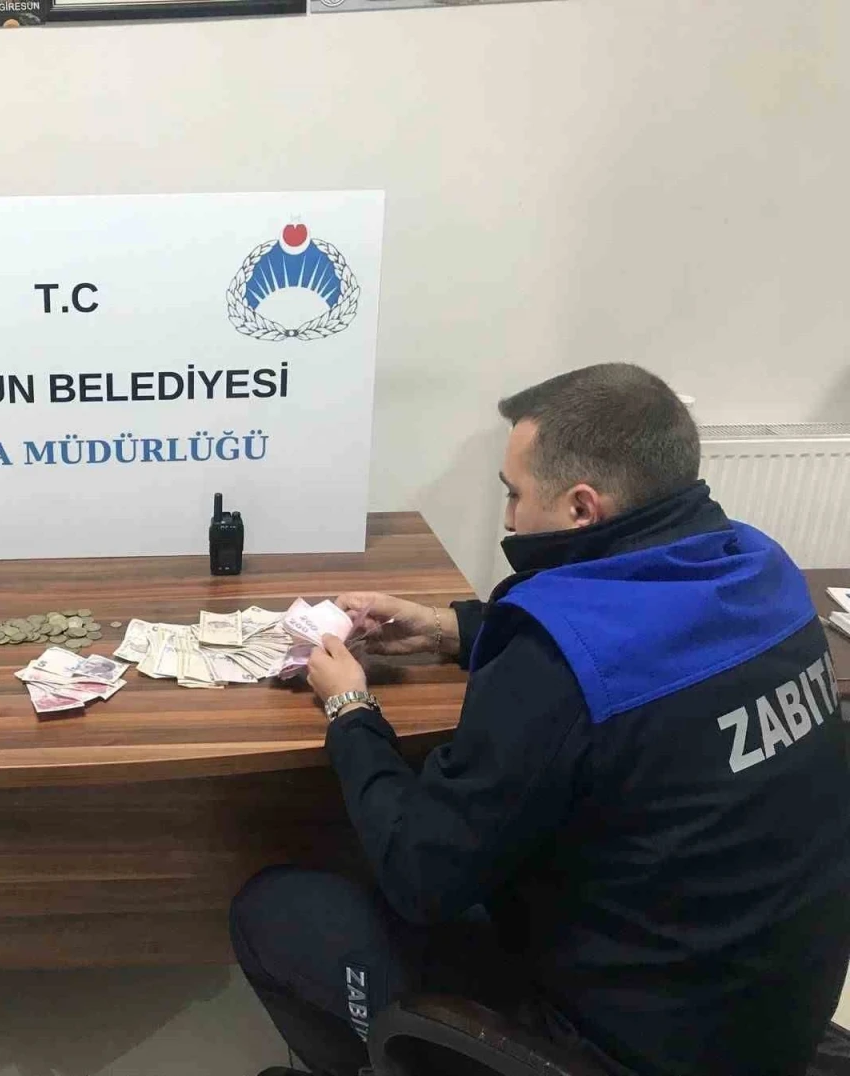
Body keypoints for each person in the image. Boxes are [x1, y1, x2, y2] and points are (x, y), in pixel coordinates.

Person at [230, 363, 850, 1076]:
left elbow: (421, 876)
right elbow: (642, 634)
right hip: (775, 1013)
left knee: (273, 910)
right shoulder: (763, 570)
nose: (508, 519)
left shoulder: (554, 664)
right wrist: (447, 629)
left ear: (582, 507)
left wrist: (350, 708)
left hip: (623, 1046)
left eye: (515, 494)